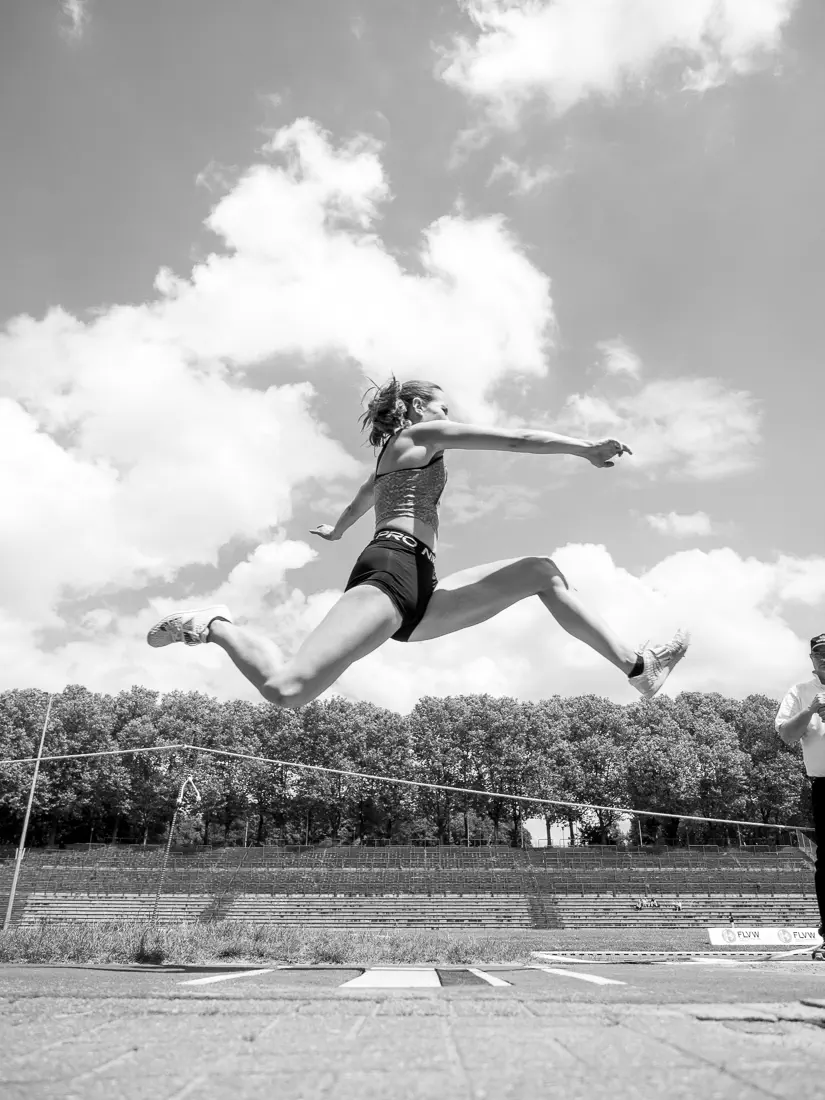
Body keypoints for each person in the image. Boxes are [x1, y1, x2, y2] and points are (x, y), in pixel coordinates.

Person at [147, 379, 689, 709]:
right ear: (413, 407)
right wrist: (584, 448)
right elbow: (515, 440)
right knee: (287, 691)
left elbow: (364, 497)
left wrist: (338, 529)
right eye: (442, 408)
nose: (448, 417)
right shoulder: (417, 436)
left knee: (541, 573)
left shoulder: (390, 460)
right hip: (392, 568)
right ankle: (213, 624)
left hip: (420, 582)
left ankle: (638, 669)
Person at [775, 633, 825, 946]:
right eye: (820, 653)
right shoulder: (801, 691)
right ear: (811, 659)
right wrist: (811, 710)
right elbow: (787, 735)